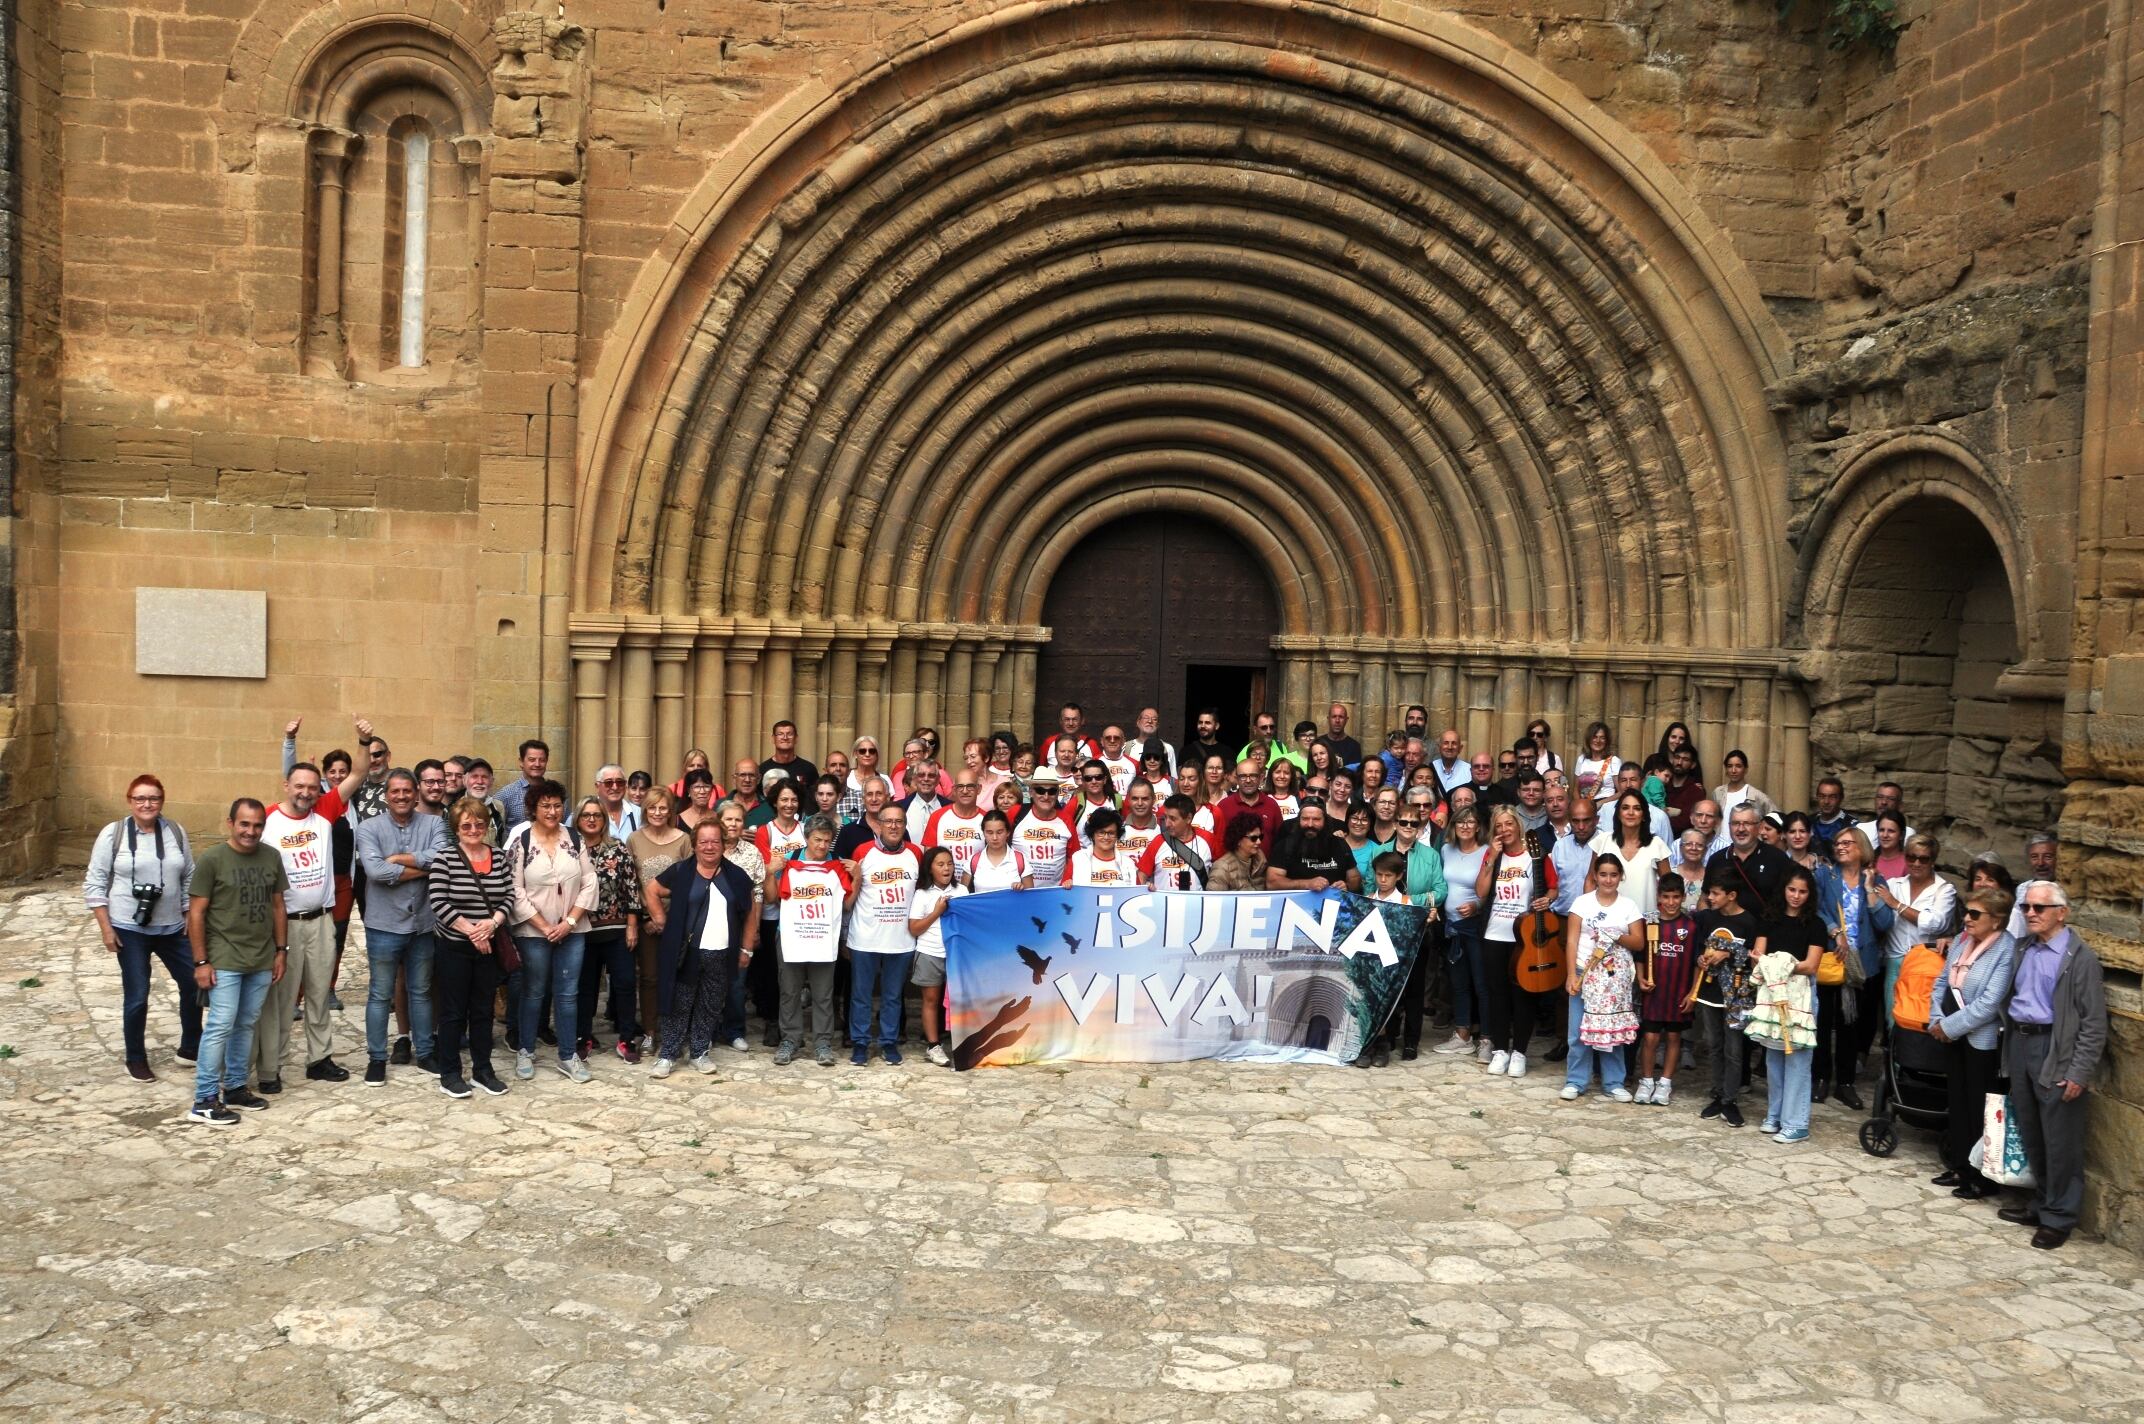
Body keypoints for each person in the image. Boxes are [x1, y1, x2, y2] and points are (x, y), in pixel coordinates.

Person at [257, 728, 374, 1094]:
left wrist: (363, 741)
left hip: (321, 920)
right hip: (285, 925)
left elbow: (357, 773)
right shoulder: (267, 819)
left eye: (312, 786)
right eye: (300, 786)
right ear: (286, 785)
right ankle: (271, 1067)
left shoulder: (325, 810)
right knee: (280, 1000)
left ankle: (319, 1059)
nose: (306, 792)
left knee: (320, 993)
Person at [1999, 883, 2107, 1249]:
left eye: (2039, 908)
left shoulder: (2080, 958)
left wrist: (2078, 1071)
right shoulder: (2023, 948)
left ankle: (2059, 1217)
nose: (2030, 913)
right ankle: (2042, 1203)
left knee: (2061, 1138)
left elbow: (2093, 1023)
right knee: (2032, 1130)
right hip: (2020, 1041)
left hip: (2054, 1048)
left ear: (2062, 912)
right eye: (2026, 906)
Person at [85, 773, 199, 1081]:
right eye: (140, 798)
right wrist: (106, 928)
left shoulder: (175, 831)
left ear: (162, 800)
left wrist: (189, 912)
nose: (147, 804)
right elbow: (94, 883)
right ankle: (135, 1057)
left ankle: (191, 1047)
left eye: (154, 798)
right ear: (130, 801)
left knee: (194, 982)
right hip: (128, 927)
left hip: (172, 927)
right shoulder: (114, 834)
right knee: (137, 994)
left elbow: (189, 874)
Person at [184, 800, 288, 1125]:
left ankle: (236, 1086)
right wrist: (201, 961)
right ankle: (204, 1098)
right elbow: (196, 913)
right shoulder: (213, 859)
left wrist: (281, 950)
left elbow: (277, 906)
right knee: (219, 1026)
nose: (251, 831)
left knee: (245, 1024)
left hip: (260, 957)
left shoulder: (271, 856)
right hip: (225, 957)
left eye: (257, 825)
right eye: (245, 824)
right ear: (231, 823)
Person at [353, 769, 444, 1085]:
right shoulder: (368, 828)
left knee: (420, 991)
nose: (402, 796)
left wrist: (399, 859)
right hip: (383, 924)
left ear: (416, 793)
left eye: (407, 791)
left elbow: (442, 857)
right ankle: (377, 1058)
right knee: (380, 994)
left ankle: (426, 1052)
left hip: (422, 923)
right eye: (395, 791)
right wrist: (421, 867)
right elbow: (376, 872)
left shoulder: (434, 824)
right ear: (386, 795)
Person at [647, 819, 757, 1078]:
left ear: (723, 844)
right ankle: (668, 1055)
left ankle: (699, 1052)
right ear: (694, 845)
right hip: (688, 952)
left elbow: (751, 913)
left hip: (722, 952)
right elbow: (652, 889)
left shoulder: (737, 876)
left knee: (710, 1005)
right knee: (679, 1004)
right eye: (703, 842)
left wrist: (747, 949)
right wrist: (661, 920)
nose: (709, 847)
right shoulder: (682, 871)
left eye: (715, 841)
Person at [505, 778, 598, 1083]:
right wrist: (545, 926)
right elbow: (515, 890)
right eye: (545, 805)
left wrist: (569, 922)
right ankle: (525, 1050)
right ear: (533, 808)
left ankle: (568, 1055)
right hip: (534, 932)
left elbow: (589, 881)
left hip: (572, 929)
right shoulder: (523, 842)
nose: (552, 810)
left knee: (568, 994)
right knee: (533, 992)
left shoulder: (574, 838)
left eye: (557, 805)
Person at [1928, 886, 2018, 1199]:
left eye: (1975, 914)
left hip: (1981, 1040)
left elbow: (1991, 1002)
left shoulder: (2005, 949)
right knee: (1958, 1100)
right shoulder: (1963, 941)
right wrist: (1935, 1019)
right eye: (1967, 912)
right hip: (1952, 1034)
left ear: (1996, 920)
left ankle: (1982, 1176)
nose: (1966, 918)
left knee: (1980, 1107)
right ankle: (1959, 1167)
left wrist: (1948, 1027)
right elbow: (1941, 981)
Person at [427, 796, 516, 1099]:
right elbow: (439, 902)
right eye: (466, 824)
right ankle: (450, 1073)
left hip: (488, 946)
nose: (474, 828)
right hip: (454, 946)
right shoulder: (445, 858)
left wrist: (491, 924)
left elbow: (508, 897)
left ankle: (483, 1070)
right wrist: (471, 932)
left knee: (482, 1011)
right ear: (456, 828)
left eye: (479, 823)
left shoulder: (499, 856)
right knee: (452, 1012)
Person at [1474, 806, 1554, 1079]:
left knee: (1524, 994)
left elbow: (1553, 887)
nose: (1504, 830)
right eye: (1499, 826)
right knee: (1497, 995)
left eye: (1509, 824)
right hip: (1495, 933)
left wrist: (1548, 899)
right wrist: (1491, 857)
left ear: (1518, 826)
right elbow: (1481, 893)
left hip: (1525, 937)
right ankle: (1499, 1050)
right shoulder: (1492, 855)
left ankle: (1519, 1051)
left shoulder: (1536, 854)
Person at [1557, 852, 1644, 1101]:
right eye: (1603, 874)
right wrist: (1571, 974)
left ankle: (1614, 1082)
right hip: (1585, 973)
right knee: (1577, 1031)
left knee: (1611, 1030)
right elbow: (1572, 939)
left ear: (1620, 877)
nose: (1608, 880)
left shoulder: (1628, 906)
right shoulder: (1582, 903)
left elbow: (1638, 941)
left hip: (1613, 979)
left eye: (1613, 875)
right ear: (1595, 876)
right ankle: (1576, 1080)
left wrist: (1615, 935)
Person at [1748, 866, 1825, 1143]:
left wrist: (1780, 963)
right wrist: (1776, 963)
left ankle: (1797, 1122)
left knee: (1798, 1059)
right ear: (1784, 890)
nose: (1796, 896)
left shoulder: (1815, 924)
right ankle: (1776, 1114)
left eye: (1802, 891)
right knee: (1774, 1058)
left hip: (1801, 994)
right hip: (1771, 993)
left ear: (1810, 895)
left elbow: (1811, 965)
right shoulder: (1769, 919)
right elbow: (1757, 955)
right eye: (1792, 890)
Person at [1820, 827, 1892, 1109]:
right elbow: (1816, 908)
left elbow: (1885, 924)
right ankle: (1821, 1077)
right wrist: (1834, 929)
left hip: (1861, 964)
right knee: (1823, 1022)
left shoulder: (1875, 879)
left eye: (1847, 843)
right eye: (1838, 842)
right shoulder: (1825, 875)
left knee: (1851, 1023)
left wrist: (1870, 893)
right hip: (1830, 957)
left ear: (1862, 848)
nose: (1841, 847)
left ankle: (1845, 1083)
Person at [1370, 792, 1445, 1061]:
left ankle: (1411, 1040)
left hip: (1417, 929)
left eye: (1414, 823)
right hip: (1385, 930)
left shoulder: (1430, 856)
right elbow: (1370, 887)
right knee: (1388, 984)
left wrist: (1409, 901)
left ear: (1421, 826)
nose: (1408, 828)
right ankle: (1388, 1036)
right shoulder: (1379, 852)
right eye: (1403, 822)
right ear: (1395, 823)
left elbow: (1441, 889)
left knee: (1414, 986)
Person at [774, 814, 853, 1067]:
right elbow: (773, 898)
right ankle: (790, 1039)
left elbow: (847, 903)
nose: (821, 845)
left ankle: (822, 1043)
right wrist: (768, 872)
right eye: (817, 839)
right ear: (806, 837)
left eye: (826, 840)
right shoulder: (790, 861)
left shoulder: (836, 865)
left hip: (822, 935)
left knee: (823, 993)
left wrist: (858, 877)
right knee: (789, 991)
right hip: (790, 934)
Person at [848, 803, 922, 1065]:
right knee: (861, 995)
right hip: (865, 936)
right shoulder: (862, 852)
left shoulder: (915, 854)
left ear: (904, 826)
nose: (893, 826)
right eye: (887, 821)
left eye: (898, 822)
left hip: (900, 938)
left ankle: (889, 1042)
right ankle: (860, 1042)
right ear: (878, 825)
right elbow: (850, 894)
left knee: (892, 996)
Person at [574, 796, 645, 1063]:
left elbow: (631, 889)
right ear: (578, 820)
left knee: (625, 984)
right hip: (582, 930)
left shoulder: (617, 849)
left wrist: (631, 925)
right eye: (586, 815)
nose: (592, 819)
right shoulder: (570, 849)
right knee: (586, 987)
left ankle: (626, 1040)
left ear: (604, 820)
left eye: (597, 815)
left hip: (616, 929)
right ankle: (584, 1036)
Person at [1692, 870, 1760, 1128]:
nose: (1710, 897)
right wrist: (1702, 959)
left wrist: (1728, 954)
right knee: (1715, 1045)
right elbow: (1702, 948)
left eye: (1715, 893)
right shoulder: (1709, 918)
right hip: (1710, 994)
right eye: (1710, 893)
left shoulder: (1748, 922)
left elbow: (1754, 959)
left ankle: (1731, 1099)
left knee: (1734, 1049)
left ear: (1731, 896)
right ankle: (1718, 1093)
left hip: (1737, 997)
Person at [746, 782, 807, 1045]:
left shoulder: (806, 829)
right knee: (772, 970)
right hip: (772, 911)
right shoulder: (765, 831)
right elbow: (763, 867)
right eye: (784, 800)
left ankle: (792, 1022)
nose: (789, 805)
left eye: (793, 800)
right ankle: (773, 1021)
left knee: (795, 971)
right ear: (775, 802)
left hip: (800, 909)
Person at [1874, 834, 1958, 1012]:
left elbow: (1935, 923)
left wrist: (1896, 905)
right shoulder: (1893, 885)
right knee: (1892, 1018)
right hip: (1894, 960)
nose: (1917, 863)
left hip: (1925, 963)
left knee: (1919, 1017)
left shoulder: (1944, 890)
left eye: (1923, 859)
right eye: (1911, 857)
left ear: (1933, 861)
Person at [1432, 805, 1490, 1058]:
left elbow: (1494, 891)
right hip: (1452, 925)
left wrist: (1477, 906)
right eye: (1460, 822)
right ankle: (1462, 1035)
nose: (1465, 826)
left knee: (1481, 982)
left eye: (1471, 822)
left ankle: (1487, 1037)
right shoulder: (1446, 850)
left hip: (1475, 926)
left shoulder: (1487, 852)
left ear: (1478, 826)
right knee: (1458, 983)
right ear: (1453, 826)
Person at [1634, 873, 1695, 1105]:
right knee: (1649, 1039)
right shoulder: (1650, 923)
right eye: (1666, 897)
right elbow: (1640, 956)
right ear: (1659, 897)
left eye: (1676, 897)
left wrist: (1692, 993)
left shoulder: (1690, 926)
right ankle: (1647, 1080)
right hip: (1654, 994)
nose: (1671, 902)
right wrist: (1641, 979)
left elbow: (1696, 962)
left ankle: (1665, 1083)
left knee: (1673, 1037)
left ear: (1683, 897)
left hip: (1678, 992)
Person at [906, 846, 966, 1067]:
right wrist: (936, 912)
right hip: (930, 952)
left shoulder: (962, 890)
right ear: (930, 868)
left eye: (949, 863)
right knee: (931, 1000)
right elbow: (914, 928)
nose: (946, 868)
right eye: (940, 864)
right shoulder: (922, 894)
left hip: (956, 955)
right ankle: (933, 1045)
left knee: (959, 1001)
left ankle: (962, 1041)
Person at [716, 799, 768, 1050]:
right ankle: (709, 1029)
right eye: (728, 819)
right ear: (719, 821)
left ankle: (735, 1030)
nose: (734, 824)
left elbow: (758, 894)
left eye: (738, 819)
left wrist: (755, 928)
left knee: (737, 982)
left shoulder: (751, 853)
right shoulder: (707, 849)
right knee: (711, 981)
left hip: (740, 923)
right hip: (711, 925)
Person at [1591, 790, 1669, 920]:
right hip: (1607, 922)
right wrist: (1589, 914)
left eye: (1637, 808)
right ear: (1618, 814)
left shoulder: (1657, 844)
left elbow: (1669, 887)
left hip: (1646, 922)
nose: (1631, 813)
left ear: (1644, 815)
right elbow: (1590, 880)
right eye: (1625, 808)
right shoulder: (1602, 841)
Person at [1711, 804, 1791, 924]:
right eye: (1736, 823)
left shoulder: (1778, 858)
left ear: (1759, 827)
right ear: (1729, 827)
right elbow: (1705, 899)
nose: (1741, 829)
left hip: (1766, 934)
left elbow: (1788, 901)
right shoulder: (1717, 859)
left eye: (1747, 823)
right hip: (1726, 935)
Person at [1267, 800, 1361, 893]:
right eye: (1305, 819)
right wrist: (1306, 884)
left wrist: (1346, 886)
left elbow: (1355, 878)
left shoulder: (1340, 844)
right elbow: (1272, 883)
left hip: (1333, 903)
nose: (1310, 824)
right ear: (1298, 820)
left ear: (1325, 821)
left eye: (1316, 819)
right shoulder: (1284, 845)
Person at [1010, 771, 1079, 887]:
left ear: (1057, 794)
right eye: (1040, 791)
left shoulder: (1066, 819)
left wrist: (1066, 881)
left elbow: (1075, 855)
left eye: (1051, 792)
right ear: (1031, 792)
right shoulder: (1015, 813)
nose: (1046, 796)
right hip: (1019, 892)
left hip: (1054, 893)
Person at [1138, 794, 1218, 891]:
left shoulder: (1208, 839)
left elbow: (1224, 869)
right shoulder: (1158, 841)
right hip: (1163, 904)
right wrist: (1146, 886)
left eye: (1173, 818)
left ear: (1188, 818)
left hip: (1196, 904)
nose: (1167, 824)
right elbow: (1141, 875)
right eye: (1165, 817)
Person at [924, 770, 988, 881]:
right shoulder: (937, 817)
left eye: (970, 786)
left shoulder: (987, 819)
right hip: (945, 885)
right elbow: (929, 858)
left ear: (979, 789)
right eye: (960, 787)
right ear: (954, 790)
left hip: (976, 886)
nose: (965, 791)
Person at [1068, 809, 1138, 886]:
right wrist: (1067, 885)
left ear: (1117, 835)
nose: (1106, 837)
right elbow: (1064, 890)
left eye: (1111, 833)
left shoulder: (1128, 863)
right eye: (1101, 832)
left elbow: (1137, 893)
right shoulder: (1078, 858)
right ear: (1092, 834)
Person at [970, 808, 1033, 892]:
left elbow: (1031, 897)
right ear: (983, 833)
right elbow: (962, 897)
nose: (995, 838)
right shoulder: (973, 861)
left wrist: (1022, 890)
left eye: (999, 832)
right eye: (990, 832)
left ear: (1008, 832)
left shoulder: (1021, 860)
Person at [497, 738, 550, 831]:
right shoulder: (506, 794)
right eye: (532, 759)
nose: (537, 764)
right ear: (521, 762)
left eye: (542, 760)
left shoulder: (555, 793)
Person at [757, 718, 818, 800]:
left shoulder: (808, 769)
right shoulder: (763, 769)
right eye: (780, 734)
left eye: (789, 734)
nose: (785, 737)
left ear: (796, 738)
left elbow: (815, 799)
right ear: (773, 739)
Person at [1206, 813, 1268, 891]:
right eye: (1254, 838)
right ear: (1238, 839)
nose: (1259, 842)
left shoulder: (1260, 860)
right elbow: (1215, 900)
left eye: (1260, 837)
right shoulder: (1222, 867)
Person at [1710, 749, 1777, 821]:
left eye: (1738, 766)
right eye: (1730, 766)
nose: (1733, 770)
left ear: (1745, 769)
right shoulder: (1718, 792)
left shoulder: (1756, 796)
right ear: (1726, 769)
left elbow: (1776, 819)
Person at [1574, 722, 1620, 805]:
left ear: (1607, 741)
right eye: (1594, 737)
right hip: (1585, 806)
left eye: (1602, 738)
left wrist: (1599, 804)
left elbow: (1621, 792)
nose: (1598, 741)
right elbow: (1576, 790)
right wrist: (1580, 805)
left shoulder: (1614, 761)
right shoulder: (1582, 759)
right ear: (1589, 739)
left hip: (1606, 806)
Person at [595, 765, 642, 839]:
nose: (615, 787)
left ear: (625, 785)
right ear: (597, 786)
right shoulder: (583, 815)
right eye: (608, 783)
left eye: (619, 782)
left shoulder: (639, 814)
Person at [1316, 702, 1362, 770]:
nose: (1337, 720)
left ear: (1346, 720)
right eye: (1334, 717)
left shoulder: (1354, 746)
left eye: (1341, 717)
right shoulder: (1318, 743)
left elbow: (1355, 774)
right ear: (1328, 719)